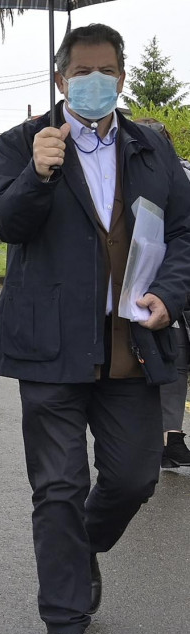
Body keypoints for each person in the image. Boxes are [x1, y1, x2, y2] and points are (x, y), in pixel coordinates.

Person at [0, 24, 190, 634]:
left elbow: (184, 233)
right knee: (57, 488)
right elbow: (6, 226)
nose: (94, 80)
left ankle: (81, 549)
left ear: (122, 79)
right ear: (59, 80)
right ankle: (65, 624)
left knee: (132, 478)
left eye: (106, 70)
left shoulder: (150, 146)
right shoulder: (24, 143)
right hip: (47, 347)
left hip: (131, 341)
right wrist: (39, 174)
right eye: (81, 71)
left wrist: (167, 294)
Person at [130, 118, 190, 470]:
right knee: (172, 357)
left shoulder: (172, 175)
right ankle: (168, 437)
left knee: (169, 356)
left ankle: (167, 438)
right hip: (165, 284)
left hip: (163, 280)